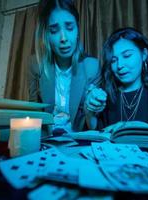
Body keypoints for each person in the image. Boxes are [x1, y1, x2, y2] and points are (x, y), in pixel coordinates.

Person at [85, 27, 148, 130]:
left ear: (144, 54)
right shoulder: (108, 95)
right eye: (113, 60)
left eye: (127, 55)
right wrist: (89, 111)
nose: (119, 65)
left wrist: (134, 127)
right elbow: (97, 132)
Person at [28, 0, 101, 133]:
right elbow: (34, 114)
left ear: (78, 29)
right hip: (46, 140)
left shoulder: (91, 67)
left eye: (69, 28)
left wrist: (91, 107)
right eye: (54, 30)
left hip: (77, 141)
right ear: (47, 35)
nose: (63, 38)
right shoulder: (35, 64)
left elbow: (92, 124)